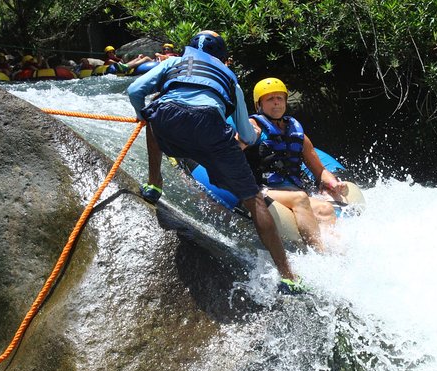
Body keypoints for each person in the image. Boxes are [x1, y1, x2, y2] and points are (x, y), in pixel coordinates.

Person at [127, 30, 303, 293]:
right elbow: (245, 134)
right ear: (222, 57)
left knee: (154, 114)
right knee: (254, 201)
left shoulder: (172, 63)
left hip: (169, 120)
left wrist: (144, 115)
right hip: (211, 129)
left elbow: (134, 90)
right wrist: (250, 137)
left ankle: (154, 184)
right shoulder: (231, 79)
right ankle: (288, 277)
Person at [246, 77, 348, 253]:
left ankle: (338, 254)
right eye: (270, 99)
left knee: (326, 208)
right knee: (300, 198)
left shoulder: (296, 131)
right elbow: (231, 150)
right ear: (259, 105)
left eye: (280, 98)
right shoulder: (253, 126)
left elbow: (320, 170)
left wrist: (333, 184)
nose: (276, 103)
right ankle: (319, 254)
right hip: (262, 190)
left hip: (291, 191)